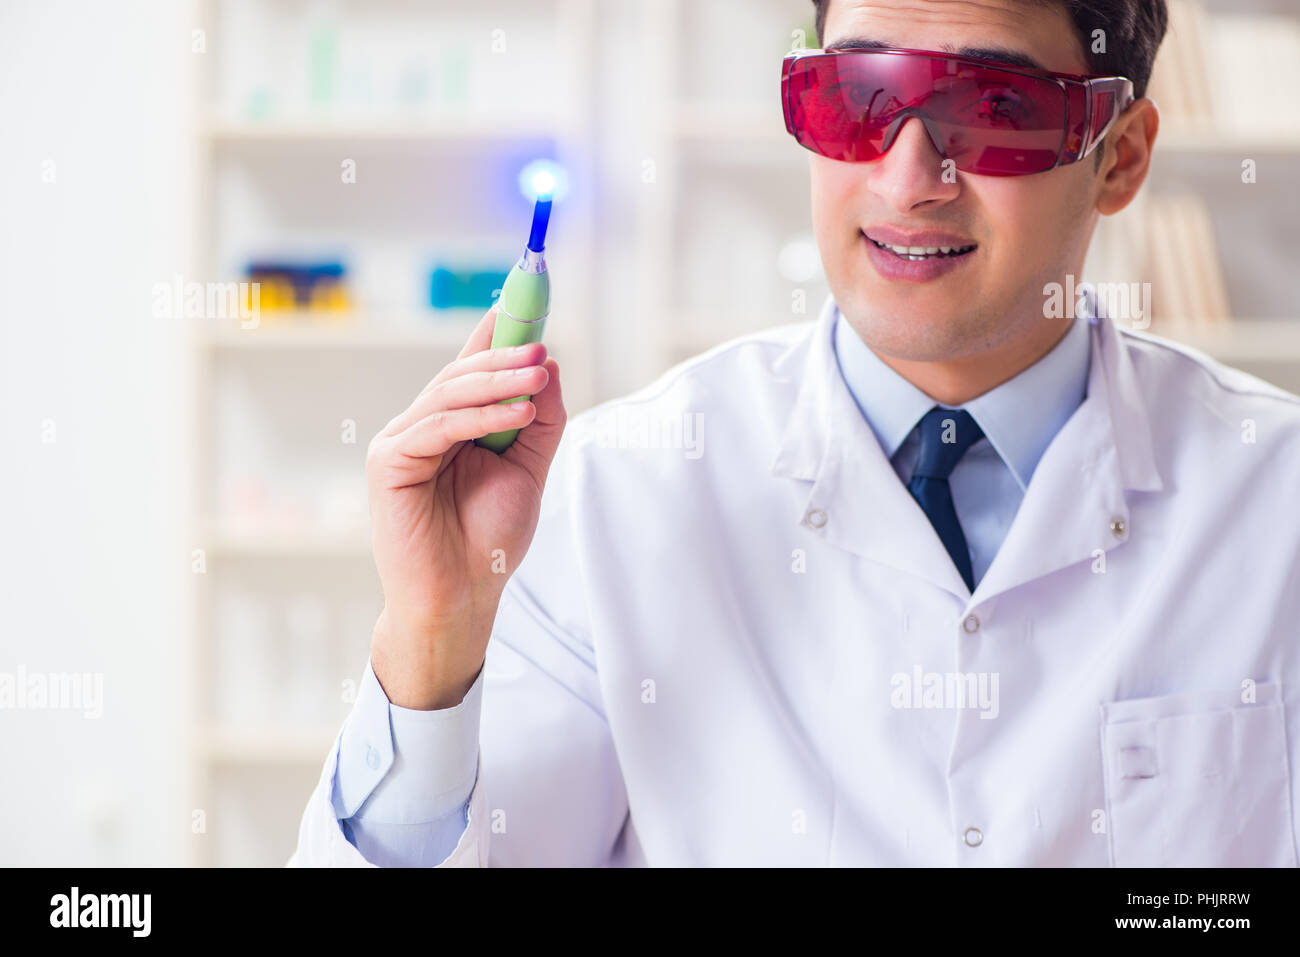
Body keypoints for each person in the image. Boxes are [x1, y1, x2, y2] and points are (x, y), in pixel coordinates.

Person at [290, 0, 1300, 866]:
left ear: (1118, 156)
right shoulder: (612, 496)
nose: (909, 180)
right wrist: (433, 643)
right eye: (860, 96)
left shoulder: (1274, 499)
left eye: (994, 110)